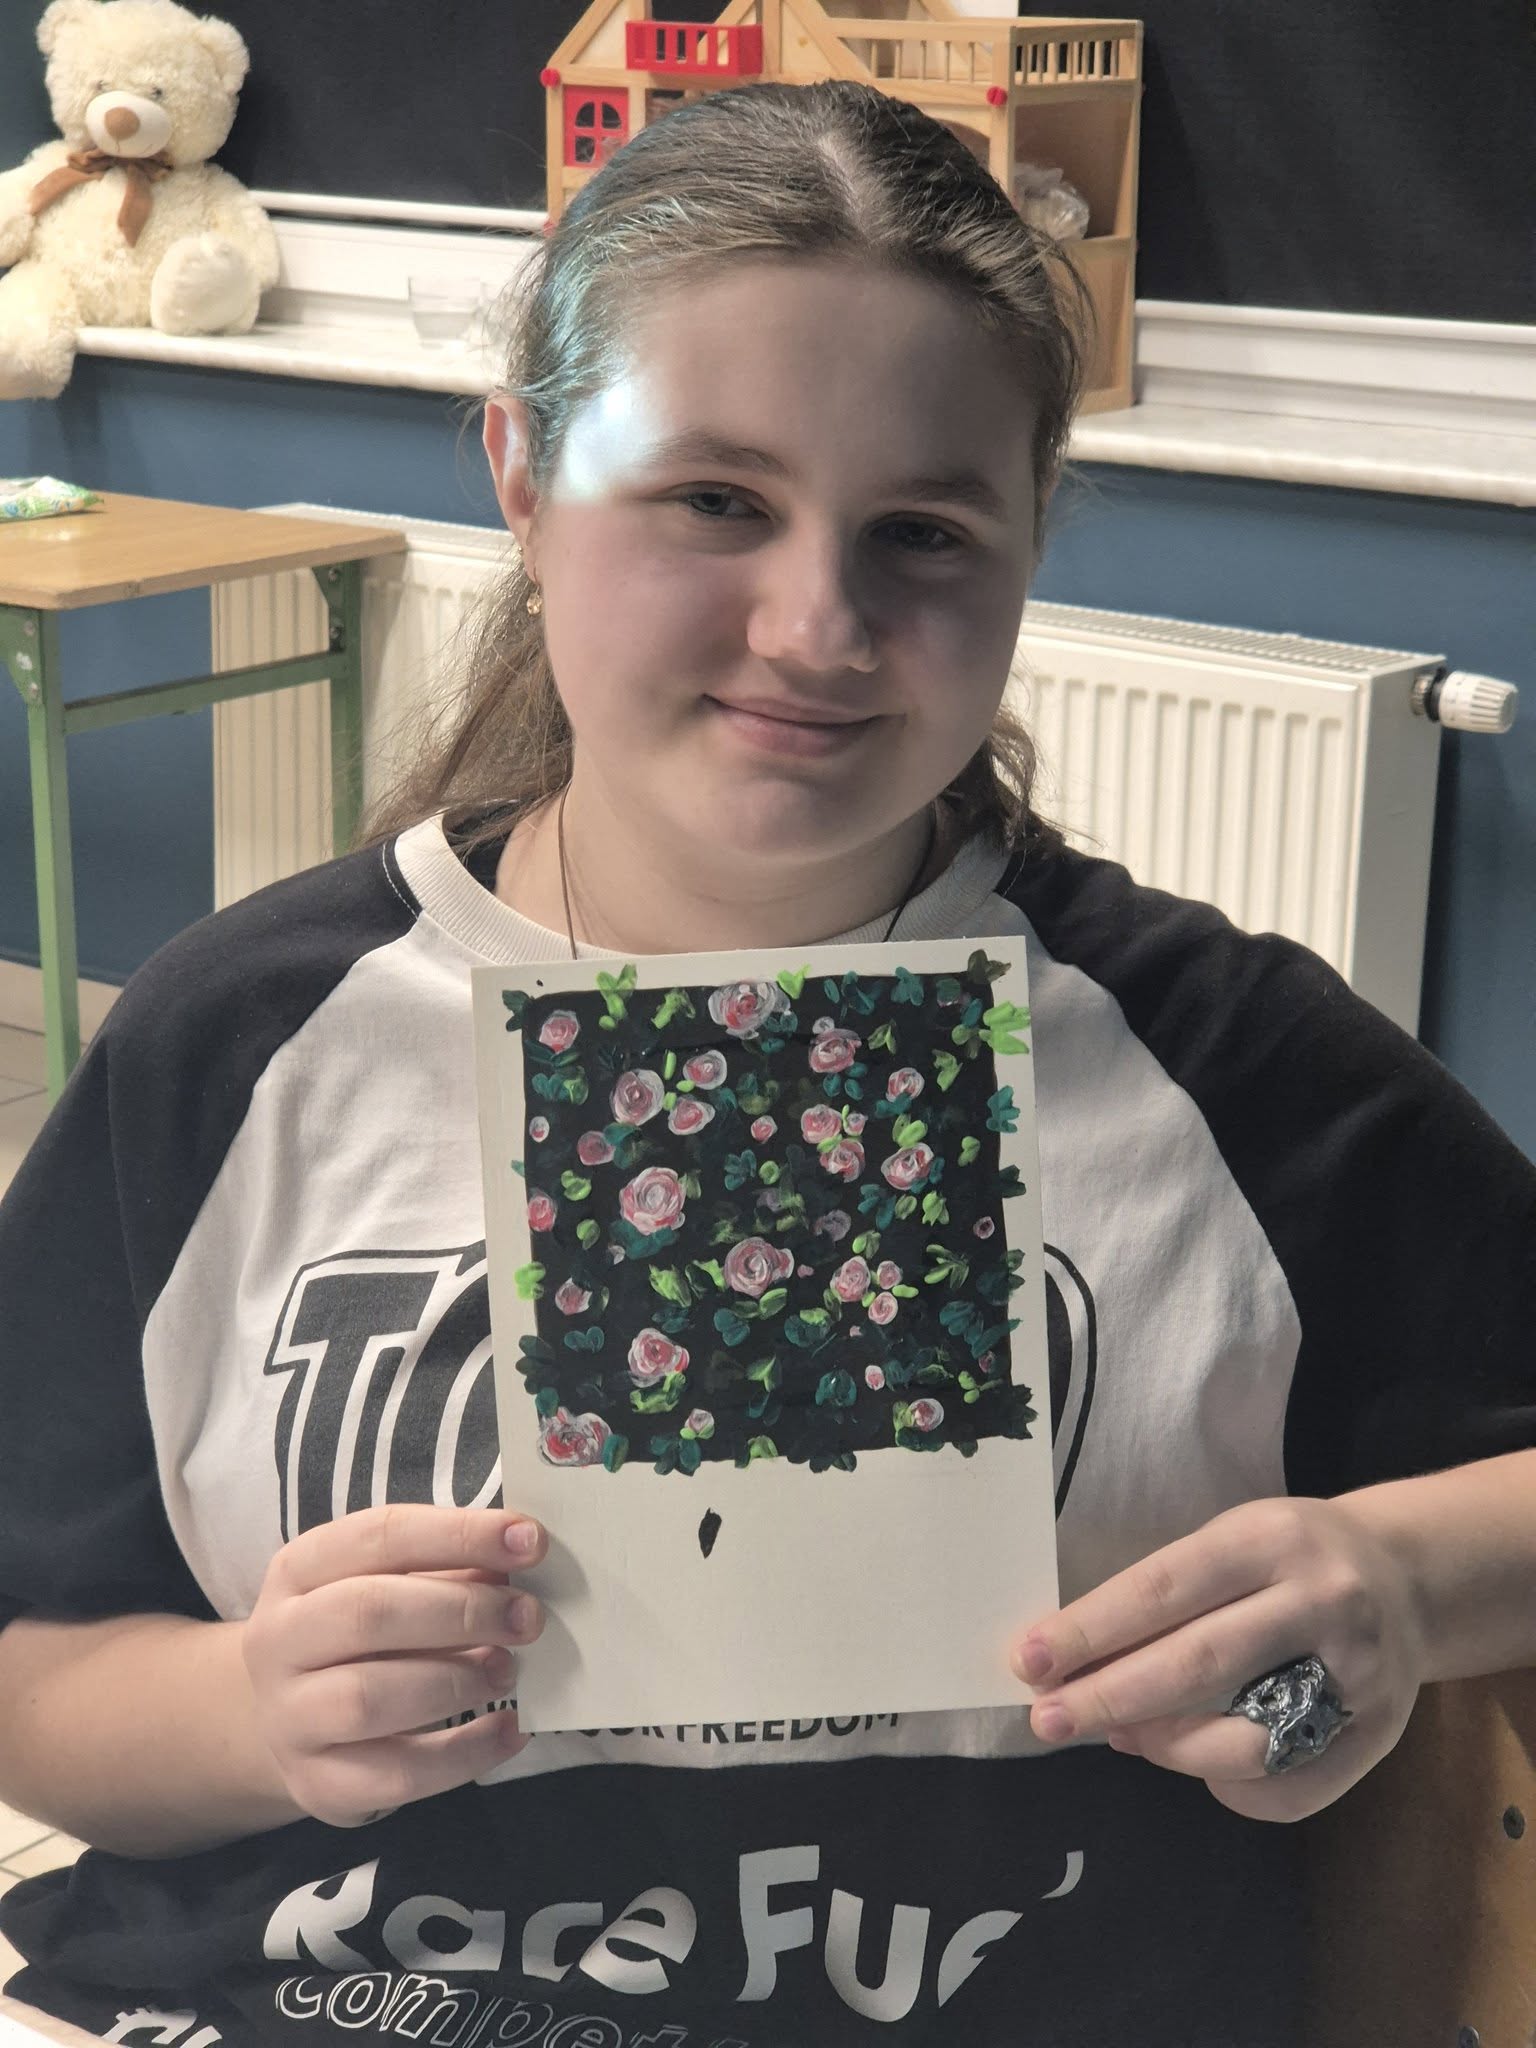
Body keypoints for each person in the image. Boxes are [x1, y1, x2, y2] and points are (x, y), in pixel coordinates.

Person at [0, 77, 1533, 2048]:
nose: (817, 625)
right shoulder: (236, 1045)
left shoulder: (1224, 1067)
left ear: (1031, 542)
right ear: (525, 481)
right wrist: (248, 1712)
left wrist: (1396, 1582)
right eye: (715, 500)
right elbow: (36, 1671)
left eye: (924, 531)